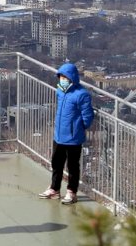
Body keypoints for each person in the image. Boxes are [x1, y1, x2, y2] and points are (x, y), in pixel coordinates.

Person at [38, 62, 94, 205]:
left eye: (65, 77)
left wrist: (79, 127)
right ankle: (54, 189)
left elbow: (87, 116)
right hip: (59, 134)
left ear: (72, 78)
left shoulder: (82, 95)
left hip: (74, 137)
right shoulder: (60, 91)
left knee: (72, 166)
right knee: (56, 163)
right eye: (60, 77)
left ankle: (71, 192)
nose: (62, 80)